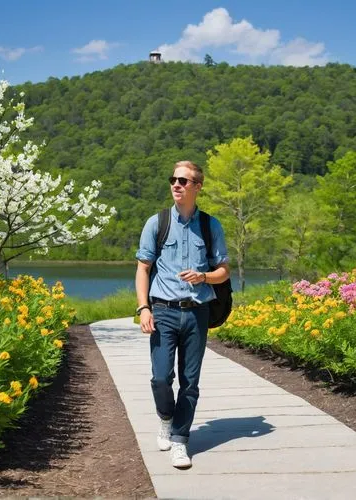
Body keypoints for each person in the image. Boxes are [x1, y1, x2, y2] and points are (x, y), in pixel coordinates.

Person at [135, 160, 230, 469]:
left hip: (197, 313)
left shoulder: (210, 226)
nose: (176, 184)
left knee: (190, 382)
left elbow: (224, 272)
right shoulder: (157, 223)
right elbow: (143, 269)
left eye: (184, 181)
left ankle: (180, 440)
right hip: (162, 311)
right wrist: (143, 307)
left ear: (197, 187)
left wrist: (203, 277)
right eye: (173, 179)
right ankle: (166, 416)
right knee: (161, 378)